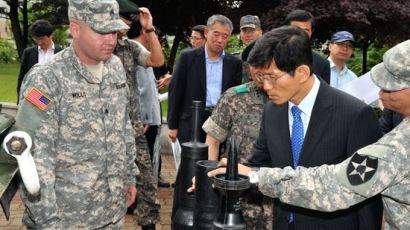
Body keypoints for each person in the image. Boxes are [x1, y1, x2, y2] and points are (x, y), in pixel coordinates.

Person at [210, 38, 410, 230]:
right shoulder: (272, 110)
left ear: (302, 72)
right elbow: (260, 163)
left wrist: (255, 176)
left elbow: (342, 186)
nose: (381, 93)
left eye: (272, 77)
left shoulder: (360, 118)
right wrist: (226, 178)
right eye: (261, 77)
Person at [14, 0, 139, 228]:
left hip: (111, 212)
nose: (111, 39)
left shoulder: (115, 67)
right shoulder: (46, 80)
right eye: (102, 31)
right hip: (66, 218)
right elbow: (33, 160)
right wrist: (49, 223)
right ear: (75, 29)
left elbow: (123, 127)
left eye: (114, 30)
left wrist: (130, 176)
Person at [202, 41, 273, 229]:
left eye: (265, 65)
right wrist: (213, 179)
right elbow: (213, 140)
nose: (259, 72)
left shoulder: (288, 98)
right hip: (238, 197)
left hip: (276, 196)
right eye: (254, 66)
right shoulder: (234, 97)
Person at [113, 1, 164, 229]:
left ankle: (148, 225)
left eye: (126, 24)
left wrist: (150, 29)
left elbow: (157, 60)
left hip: (132, 132)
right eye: (122, 23)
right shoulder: (87, 51)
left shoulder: (129, 47)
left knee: (146, 184)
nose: (124, 29)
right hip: (98, 134)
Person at [167, 14, 242, 144]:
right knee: (190, 163)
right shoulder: (188, 58)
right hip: (191, 121)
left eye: (225, 36)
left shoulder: (234, 63)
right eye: (216, 34)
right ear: (207, 32)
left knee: (215, 162)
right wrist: (172, 125)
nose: (220, 40)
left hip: (220, 121)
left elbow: (235, 97)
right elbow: (176, 91)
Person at [127, 21, 170, 188]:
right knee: (144, 160)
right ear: (145, 32)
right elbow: (141, 89)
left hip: (147, 117)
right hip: (144, 119)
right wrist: (144, 116)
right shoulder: (136, 50)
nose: (156, 40)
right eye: (154, 35)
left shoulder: (140, 51)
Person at [17, 19, 62, 103]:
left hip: (55, 99)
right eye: (36, 39)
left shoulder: (61, 53)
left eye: (42, 38)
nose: (39, 42)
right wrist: (20, 101)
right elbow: (22, 78)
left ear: (51, 35)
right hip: (33, 97)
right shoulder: (28, 53)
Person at [284, 9, 330, 84]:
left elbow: (323, 93)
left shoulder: (322, 64)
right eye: (296, 29)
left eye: (306, 31)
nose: (301, 34)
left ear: (311, 32)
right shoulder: (271, 57)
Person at [156, 25, 207, 90]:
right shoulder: (186, 57)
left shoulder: (215, 58)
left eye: (196, 38)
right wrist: (173, 78)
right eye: (191, 38)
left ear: (206, 39)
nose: (192, 41)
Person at [235, 15, 263, 83]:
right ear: (240, 35)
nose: (248, 35)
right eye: (244, 31)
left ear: (260, 32)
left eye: (252, 30)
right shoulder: (233, 60)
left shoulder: (270, 57)